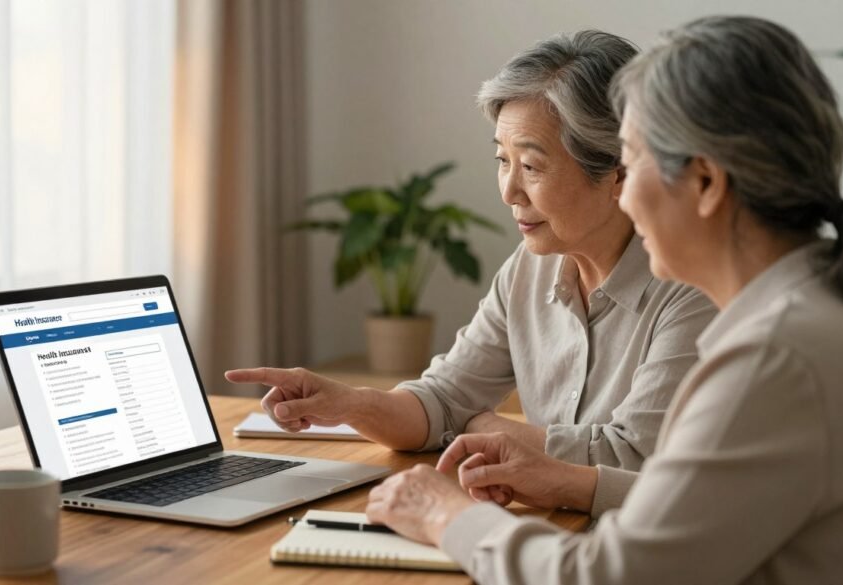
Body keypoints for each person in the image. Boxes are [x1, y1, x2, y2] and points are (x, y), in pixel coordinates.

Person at [365, 16, 843, 584]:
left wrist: (447, 515)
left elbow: (612, 576)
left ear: (706, 184)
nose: (626, 194)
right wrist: (570, 479)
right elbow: (713, 509)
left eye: (633, 163)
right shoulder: (805, 315)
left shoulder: (772, 358)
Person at [226, 31, 716, 475]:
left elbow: (633, 459)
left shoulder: (692, 288)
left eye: (531, 166)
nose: (509, 191)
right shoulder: (528, 270)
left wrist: (490, 430)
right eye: (502, 161)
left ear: (618, 173)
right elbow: (442, 401)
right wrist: (350, 403)